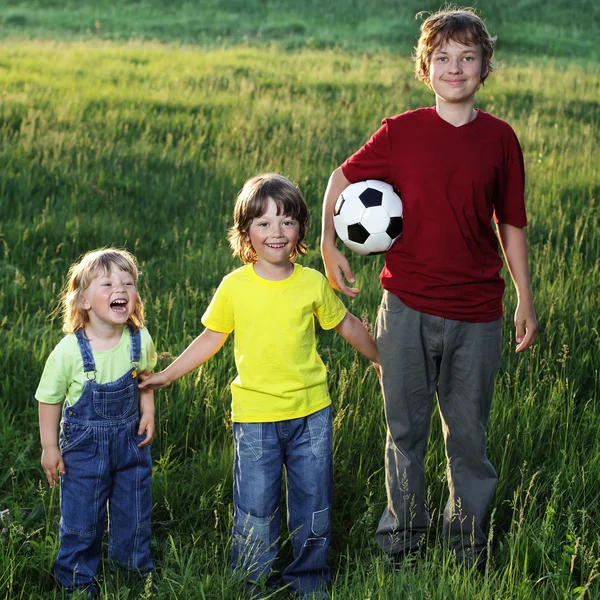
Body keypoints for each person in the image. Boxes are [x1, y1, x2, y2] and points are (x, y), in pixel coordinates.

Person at [320, 7, 538, 569]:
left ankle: (467, 544)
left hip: (477, 312)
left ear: (484, 66)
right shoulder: (401, 133)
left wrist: (525, 298)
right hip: (407, 308)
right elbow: (341, 179)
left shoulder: (499, 140)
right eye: (443, 57)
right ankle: (403, 543)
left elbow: (510, 223)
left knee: (468, 436)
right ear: (426, 67)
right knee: (405, 430)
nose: (455, 67)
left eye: (467, 57)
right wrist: (327, 243)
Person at [139, 173, 378, 598]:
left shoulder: (311, 283)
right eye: (264, 223)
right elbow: (211, 338)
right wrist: (167, 374)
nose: (276, 232)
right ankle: (254, 583)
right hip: (255, 419)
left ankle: (309, 580)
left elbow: (347, 324)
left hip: (311, 414)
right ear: (245, 230)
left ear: (302, 229)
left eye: (287, 221)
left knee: (314, 505)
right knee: (255, 509)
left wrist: (381, 359)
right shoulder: (235, 286)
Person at [37, 248, 157, 596]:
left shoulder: (139, 339)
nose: (120, 289)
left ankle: (133, 573)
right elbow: (49, 399)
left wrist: (147, 411)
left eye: (128, 283)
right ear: (84, 301)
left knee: (134, 513)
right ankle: (76, 580)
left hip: (131, 444)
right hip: (84, 451)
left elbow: (145, 378)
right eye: (107, 284)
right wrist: (49, 446)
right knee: (82, 520)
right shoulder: (69, 352)